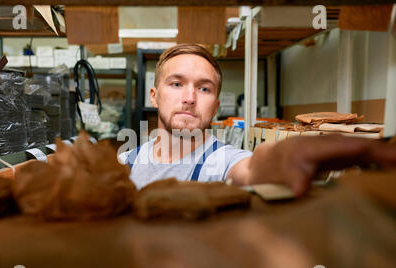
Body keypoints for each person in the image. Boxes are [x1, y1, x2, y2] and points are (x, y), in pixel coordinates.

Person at [119, 44, 396, 195]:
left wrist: (288, 154)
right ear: (154, 96)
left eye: (204, 88)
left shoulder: (224, 162)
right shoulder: (123, 165)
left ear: (215, 106)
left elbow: (253, 168)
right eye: (177, 84)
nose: (190, 98)